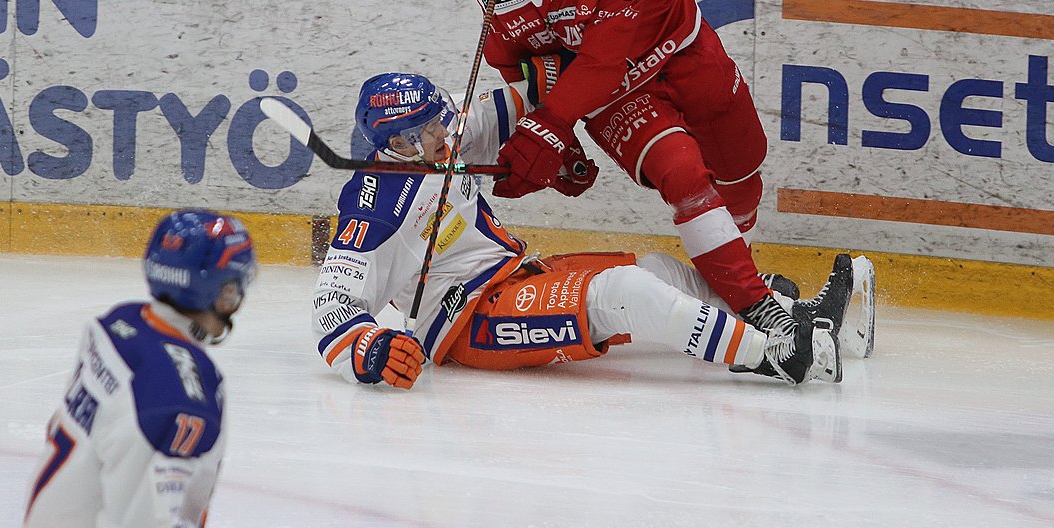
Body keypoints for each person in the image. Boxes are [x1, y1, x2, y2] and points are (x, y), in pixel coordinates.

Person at [472, 0, 825, 380]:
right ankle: (756, 307)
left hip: (683, 57)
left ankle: (728, 286)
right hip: (611, 95)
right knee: (683, 173)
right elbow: (521, 67)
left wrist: (550, 128)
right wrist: (560, 143)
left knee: (743, 168)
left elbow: (602, 57)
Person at [310, 72, 867, 389]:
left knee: (653, 269)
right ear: (392, 145)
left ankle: (789, 314)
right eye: (421, 133)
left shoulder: (446, 133)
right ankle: (780, 354)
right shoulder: (376, 202)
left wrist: (550, 139)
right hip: (466, 321)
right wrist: (370, 347)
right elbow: (333, 301)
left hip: (510, 274)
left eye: (438, 119)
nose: (440, 135)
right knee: (625, 294)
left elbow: (531, 90)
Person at [23, 210, 258, 528]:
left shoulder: (122, 323)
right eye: (232, 290)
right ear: (219, 293)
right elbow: (146, 525)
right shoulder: (181, 400)